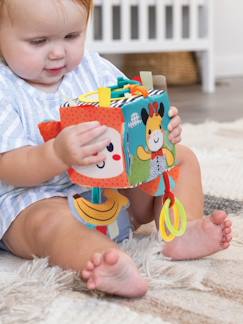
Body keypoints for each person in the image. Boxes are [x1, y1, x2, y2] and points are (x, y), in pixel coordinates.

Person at [0, 0, 232, 298]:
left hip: (110, 193)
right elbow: (9, 167)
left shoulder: (92, 68)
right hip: (37, 197)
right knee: (48, 221)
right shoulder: (5, 90)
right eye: (39, 41)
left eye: (72, 36)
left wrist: (163, 130)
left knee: (181, 158)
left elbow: (136, 113)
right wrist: (56, 155)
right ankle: (103, 258)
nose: (58, 52)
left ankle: (180, 230)